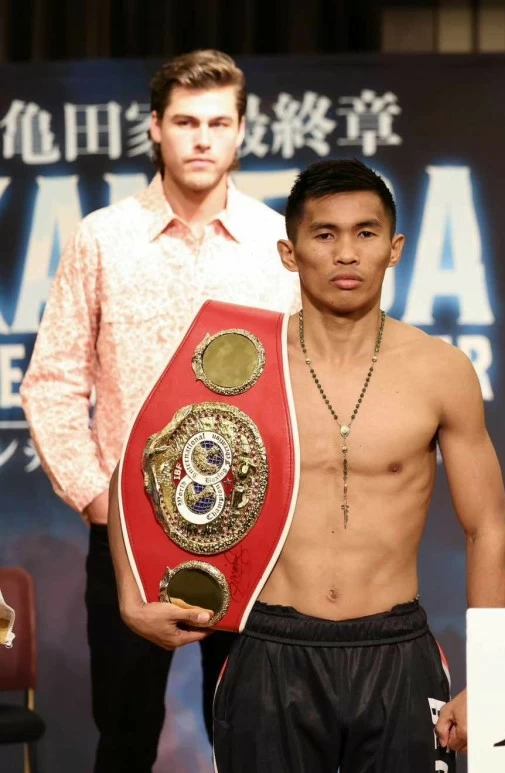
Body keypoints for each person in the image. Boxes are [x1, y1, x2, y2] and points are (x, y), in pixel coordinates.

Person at [110, 158, 505, 770]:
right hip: (270, 647)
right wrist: (129, 596)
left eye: (365, 233)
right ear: (289, 253)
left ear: (394, 248)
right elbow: (136, 469)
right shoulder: (235, 361)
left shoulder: (440, 370)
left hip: (395, 650)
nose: (346, 253)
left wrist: (489, 676)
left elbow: (489, 528)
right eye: (325, 235)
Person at [20, 49, 299, 772]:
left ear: (241, 131)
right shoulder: (103, 239)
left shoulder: (279, 247)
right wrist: (97, 499)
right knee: (124, 736)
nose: (202, 138)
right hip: (127, 533)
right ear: (155, 129)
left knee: (255, 738)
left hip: (254, 535)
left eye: (218, 122)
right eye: (185, 121)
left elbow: (305, 386)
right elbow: (51, 380)